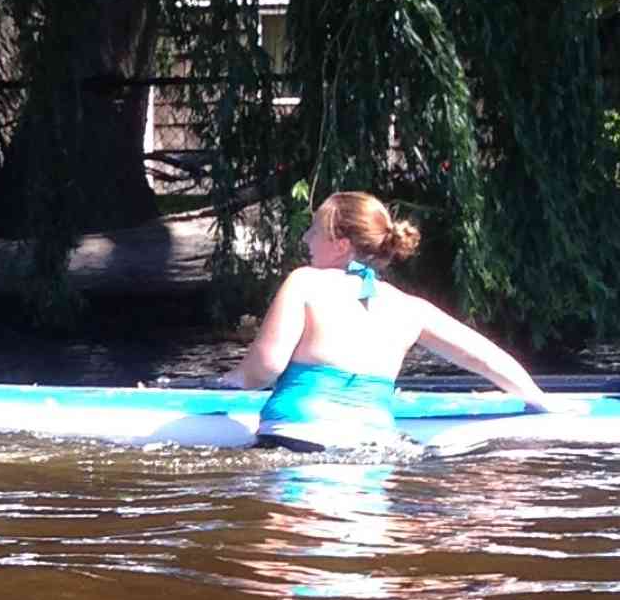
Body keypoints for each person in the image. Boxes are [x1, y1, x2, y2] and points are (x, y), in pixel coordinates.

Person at [218, 191, 554, 450]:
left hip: (296, 436)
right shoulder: (411, 308)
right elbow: (483, 357)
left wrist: (229, 380)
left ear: (341, 245)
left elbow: (265, 368)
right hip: (374, 444)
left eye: (314, 230)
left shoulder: (304, 281)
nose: (305, 238)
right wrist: (538, 398)